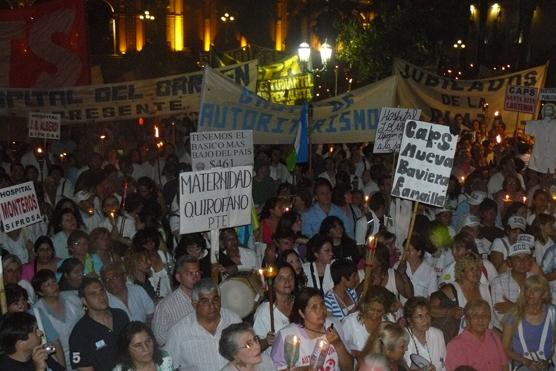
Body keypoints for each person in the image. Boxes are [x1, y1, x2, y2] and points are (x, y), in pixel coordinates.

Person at [164, 278, 242, 370]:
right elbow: (167, 366)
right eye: (205, 302)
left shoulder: (233, 320)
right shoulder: (178, 332)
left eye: (215, 300)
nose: (212, 306)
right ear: (194, 304)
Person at [270, 287, 353, 370]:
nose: (321, 310)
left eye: (322, 304)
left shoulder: (334, 325)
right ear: (302, 313)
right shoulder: (286, 336)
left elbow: (349, 368)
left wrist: (338, 344)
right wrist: (309, 368)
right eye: (314, 307)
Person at [69, 277, 130, 370]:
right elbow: (84, 368)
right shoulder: (79, 333)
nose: (101, 296)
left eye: (102, 291)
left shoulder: (120, 315)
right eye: (93, 294)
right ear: (84, 301)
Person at [31, 269, 83, 369]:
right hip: (58, 360)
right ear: (40, 292)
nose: (54, 286)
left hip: (82, 352)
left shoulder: (73, 297)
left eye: (54, 281)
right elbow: (45, 344)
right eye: (47, 285)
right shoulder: (36, 313)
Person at [501, 275, 555, 370]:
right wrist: (526, 361)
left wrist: (546, 362)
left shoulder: (553, 313)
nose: (530, 293)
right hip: (522, 365)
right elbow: (505, 348)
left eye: (536, 290)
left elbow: (552, 345)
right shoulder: (513, 315)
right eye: (528, 289)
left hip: (546, 365)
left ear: (544, 294)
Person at [152, 255, 202, 346]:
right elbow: (160, 339)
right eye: (190, 273)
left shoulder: (206, 298)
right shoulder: (165, 305)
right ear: (178, 277)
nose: (196, 277)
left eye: (198, 273)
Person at [445, 299, 508, 371]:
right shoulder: (456, 346)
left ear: (489, 319)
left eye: (484, 315)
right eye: (475, 315)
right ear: (467, 320)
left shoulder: (493, 336)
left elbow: (504, 364)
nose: (480, 319)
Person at [253, 263, 295, 353]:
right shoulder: (264, 311)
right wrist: (267, 341)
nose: (287, 281)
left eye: (290, 277)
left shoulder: (299, 303)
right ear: (272, 283)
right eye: (281, 278)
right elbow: (254, 346)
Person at [490, 242, 533, 329]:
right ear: (509, 262)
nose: (522, 262)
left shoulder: (536, 281)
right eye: (518, 259)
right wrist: (530, 309)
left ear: (530, 261)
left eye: (526, 258)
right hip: (505, 333)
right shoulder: (498, 282)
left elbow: (543, 309)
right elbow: (501, 316)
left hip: (531, 329)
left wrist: (514, 307)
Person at [340, 286, 389, 360]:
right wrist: (354, 353)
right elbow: (341, 349)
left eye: (379, 311)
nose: (375, 314)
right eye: (372, 309)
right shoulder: (350, 322)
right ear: (365, 305)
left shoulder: (388, 320)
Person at [403, 297, 446, 371]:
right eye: (420, 316)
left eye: (427, 315)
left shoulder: (438, 334)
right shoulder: (402, 338)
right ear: (409, 320)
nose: (425, 320)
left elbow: (443, 366)